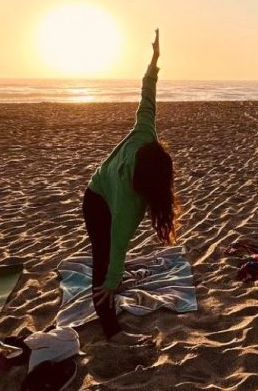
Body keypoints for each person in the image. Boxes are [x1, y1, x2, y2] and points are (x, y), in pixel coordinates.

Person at [82, 29, 178, 340]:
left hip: (104, 186)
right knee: (103, 257)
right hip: (97, 199)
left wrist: (154, 61)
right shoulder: (130, 200)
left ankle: (110, 293)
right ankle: (111, 330)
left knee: (110, 260)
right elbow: (119, 244)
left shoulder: (144, 134)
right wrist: (112, 282)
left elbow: (147, 97)